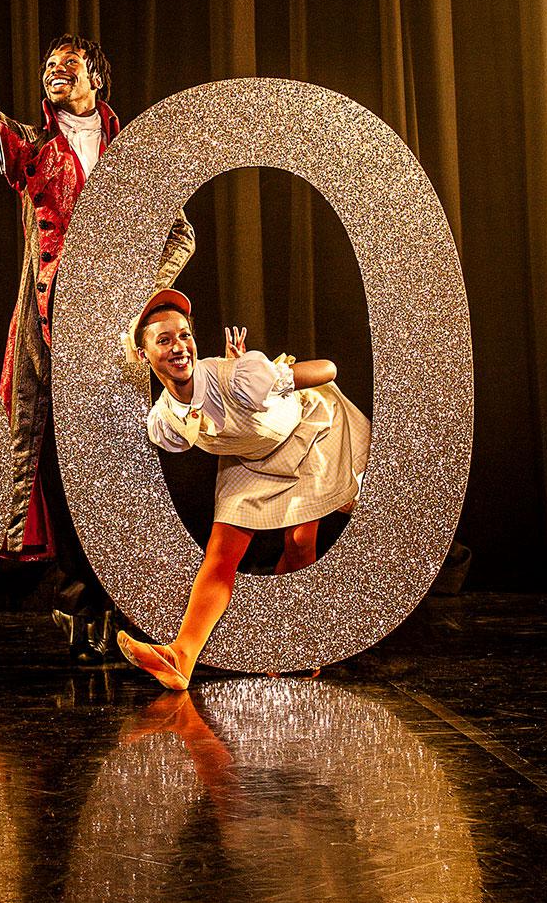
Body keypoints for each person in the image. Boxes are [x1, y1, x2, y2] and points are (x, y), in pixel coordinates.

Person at [0, 0, 195, 661]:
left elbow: (181, 235)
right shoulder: (32, 149)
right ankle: (78, 606)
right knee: (56, 472)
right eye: (48, 67)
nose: (55, 72)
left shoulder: (134, 154)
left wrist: (138, 291)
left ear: (97, 79)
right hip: (51, 328)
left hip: (113, 339)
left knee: (119, 470)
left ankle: (124, 607)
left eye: (68, 64)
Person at [117, 289, 370, 690]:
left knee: (301, 540)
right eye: (164, 340)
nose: (179, 347)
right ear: (143, 354)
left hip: (308, 432)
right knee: (220, 555)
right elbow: (184, 433)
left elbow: (329, 369)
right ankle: (181, 656)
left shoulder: (239, 376)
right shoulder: (163, 418)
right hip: (250, 459)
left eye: (184, 335)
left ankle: (294, 646)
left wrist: (275, 375)